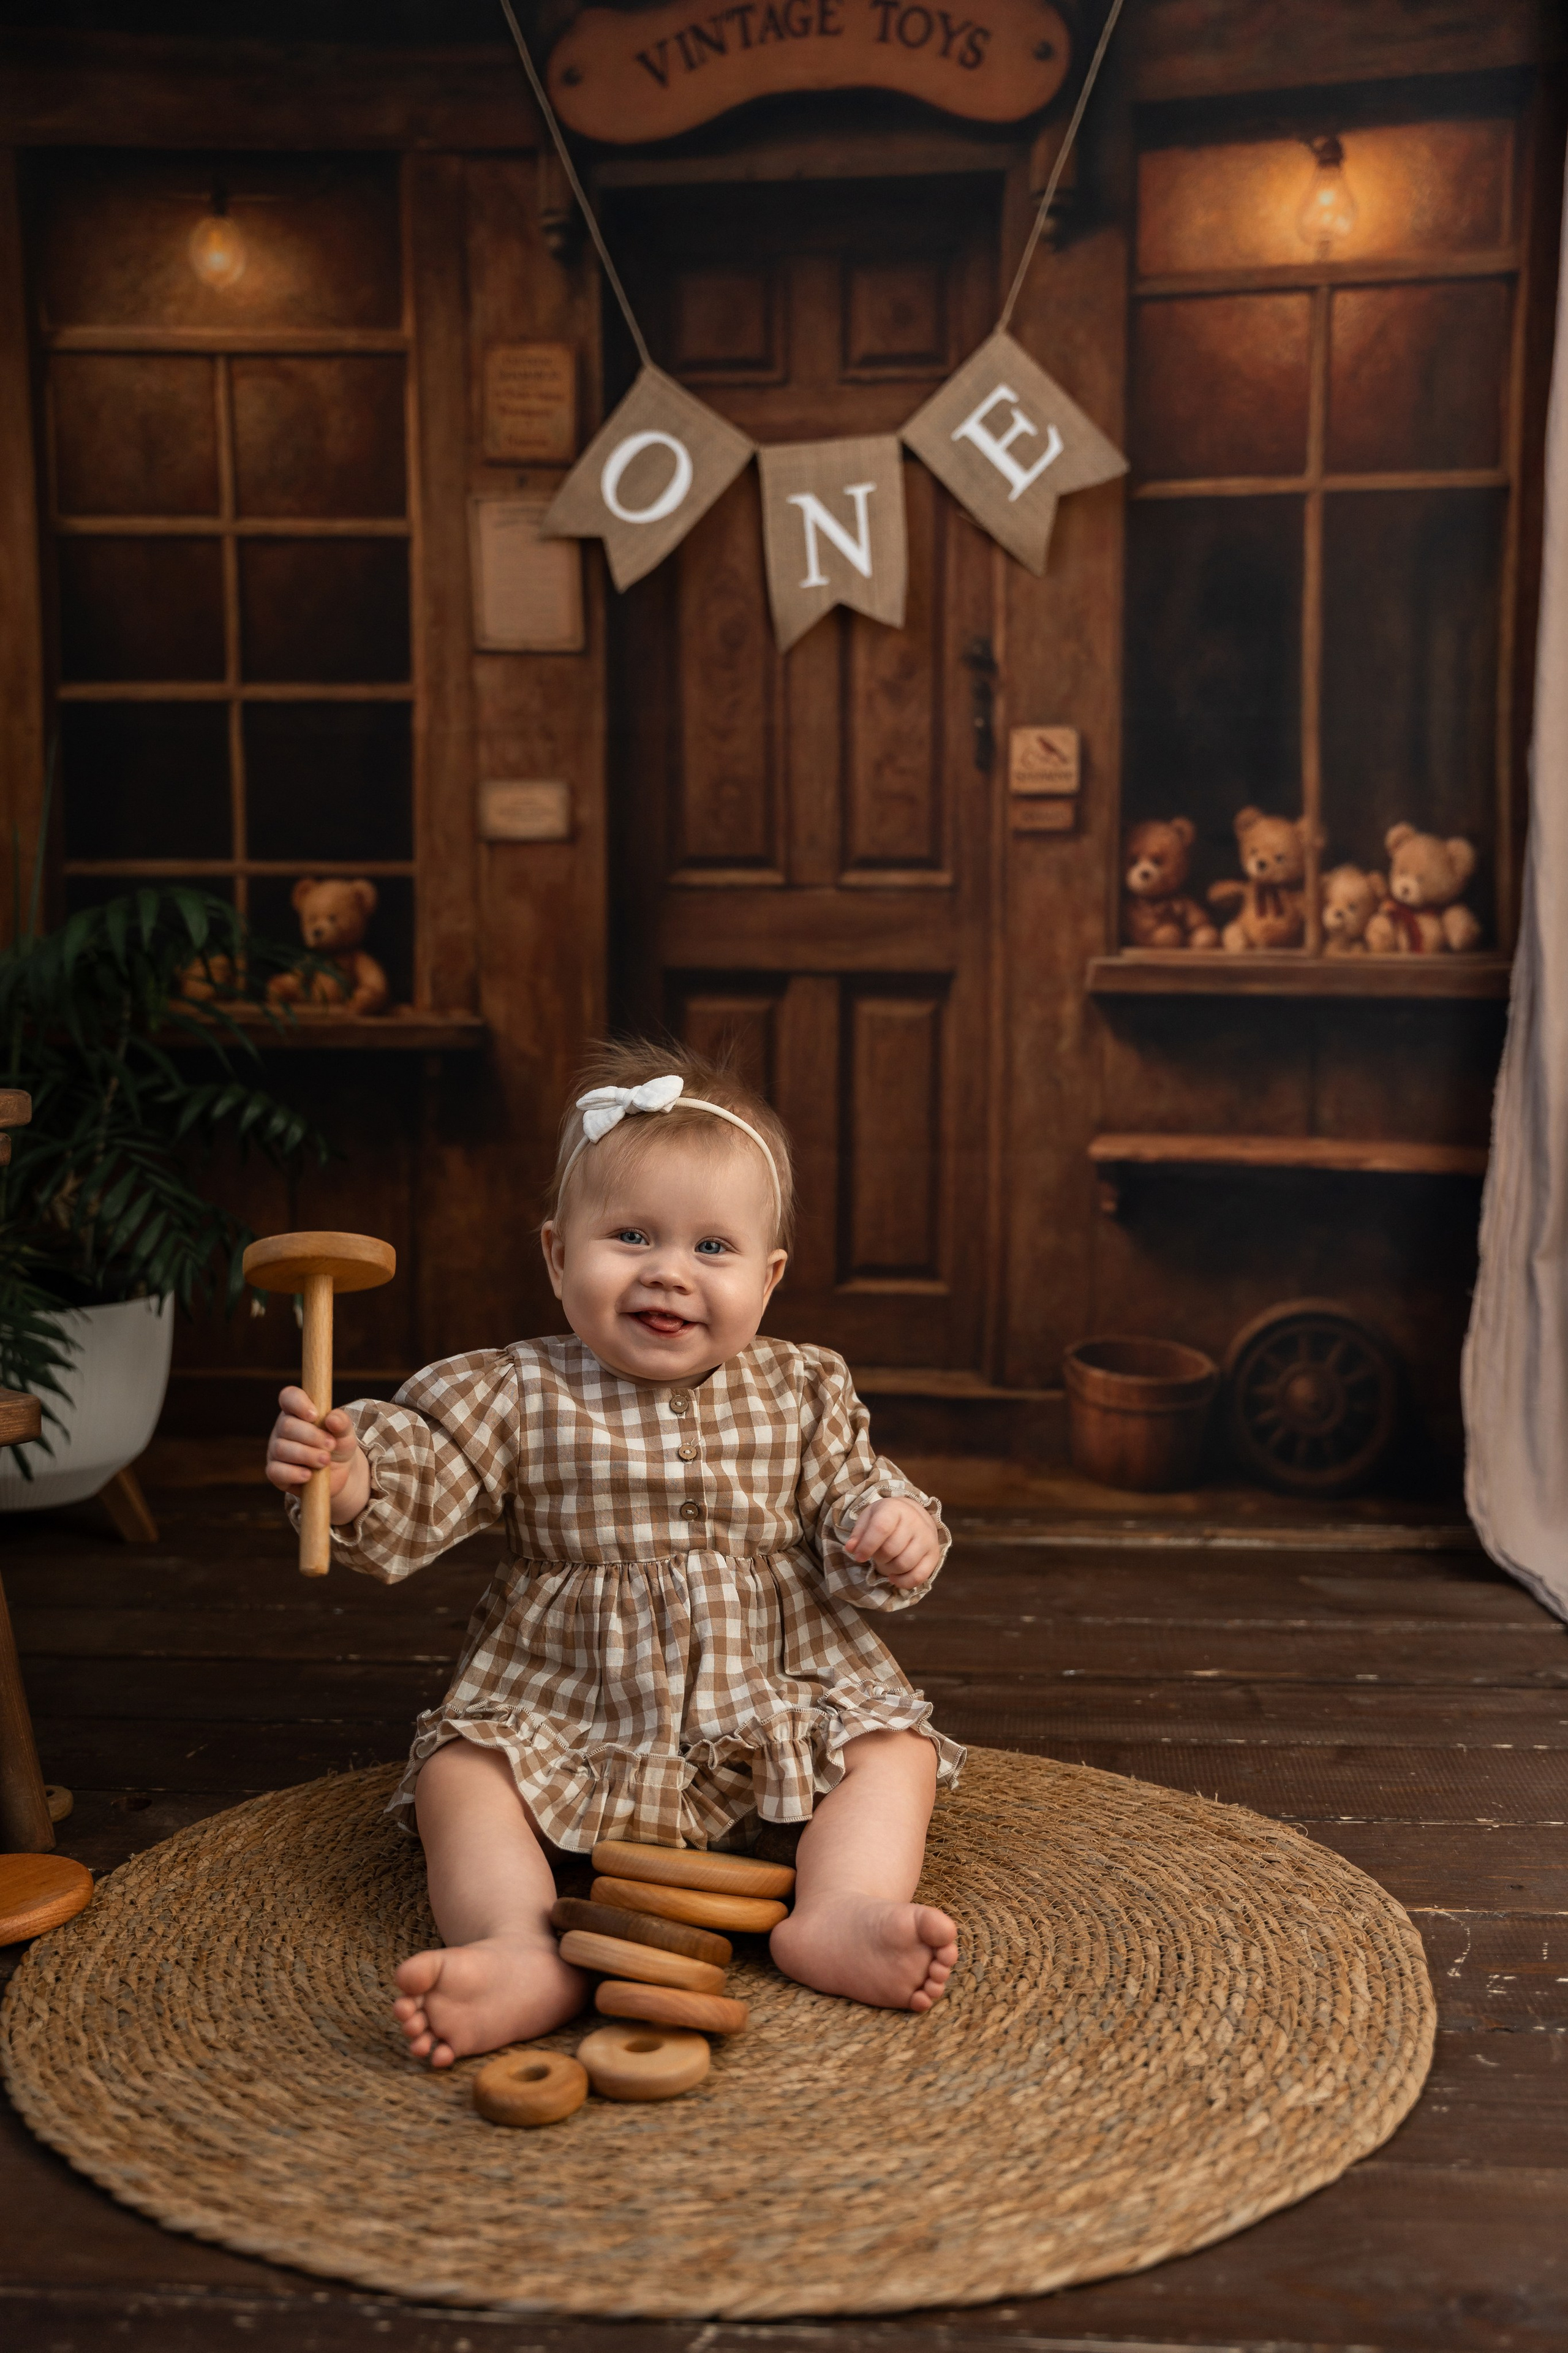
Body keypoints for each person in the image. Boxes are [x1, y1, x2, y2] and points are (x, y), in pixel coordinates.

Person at [265, 1039, 963, 2068]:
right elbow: (428, 1476)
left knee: (892, 1748)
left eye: (713, 1249)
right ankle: (512, 1946)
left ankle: (842, 1906)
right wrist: (352, 1472)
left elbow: (852, 1493)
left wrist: (890, 1528)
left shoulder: (802, 1390)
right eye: (630, 1234)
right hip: (571, 1702)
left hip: (772, 1688)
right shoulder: (515, 1390)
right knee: (464, 1771)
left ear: (768, 1279)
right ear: (558, 1255)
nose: (669, 1272)